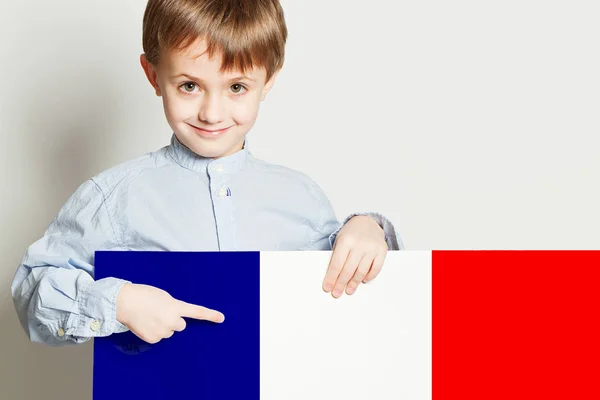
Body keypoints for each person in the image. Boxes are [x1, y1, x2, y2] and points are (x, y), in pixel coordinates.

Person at [11, 0, 404, 347]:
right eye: (189, 86)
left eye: (236, 87)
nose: (212, 113)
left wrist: (371, 229)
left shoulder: (302, 198)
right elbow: (31, 292)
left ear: (268, 80)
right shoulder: (112, 198)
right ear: (153, 76)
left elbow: (352, 287)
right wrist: (117, 303)